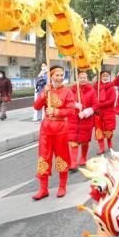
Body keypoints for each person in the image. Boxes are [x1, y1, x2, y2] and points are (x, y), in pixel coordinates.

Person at [32, 66, 75, 199]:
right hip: (46, 129)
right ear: (51, 76)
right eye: (57, 75)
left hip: (61, 128)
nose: (60, 77)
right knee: (44, 157)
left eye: (62, 75)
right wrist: (44, 93)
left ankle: (62, 186)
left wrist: (56, 111)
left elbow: (71, 111)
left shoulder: (67, 92)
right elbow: (37, 106)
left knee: (62, 157)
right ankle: (43, 189)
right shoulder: (47, 90)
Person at [67, 71, 98, 171]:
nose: (83, 79)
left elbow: (95, 105)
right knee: (73, 141)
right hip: (73, 119)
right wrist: (74, 104)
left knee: (84, 141)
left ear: (87, 78)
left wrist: (86, 112)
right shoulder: (72, 90)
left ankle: (83, 157)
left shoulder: (91, 90)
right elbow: (67, 102)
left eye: (84, 77)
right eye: (81, 77)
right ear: (77, 78)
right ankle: (73, 163)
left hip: (86, 121)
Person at [93, 70, 117, 154]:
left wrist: (101, 104)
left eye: (107, 75)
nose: (105, 77)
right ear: (100, 77)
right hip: (98, 112)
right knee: (99, 130)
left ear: (109, 77)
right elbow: (93, 98)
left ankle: (110, 145)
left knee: (108, 130)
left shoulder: (111, 88)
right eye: (103, 76)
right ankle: (101, 148)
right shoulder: (96, 87)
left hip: (108, 112)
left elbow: (112, 100)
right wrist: (96, 104)